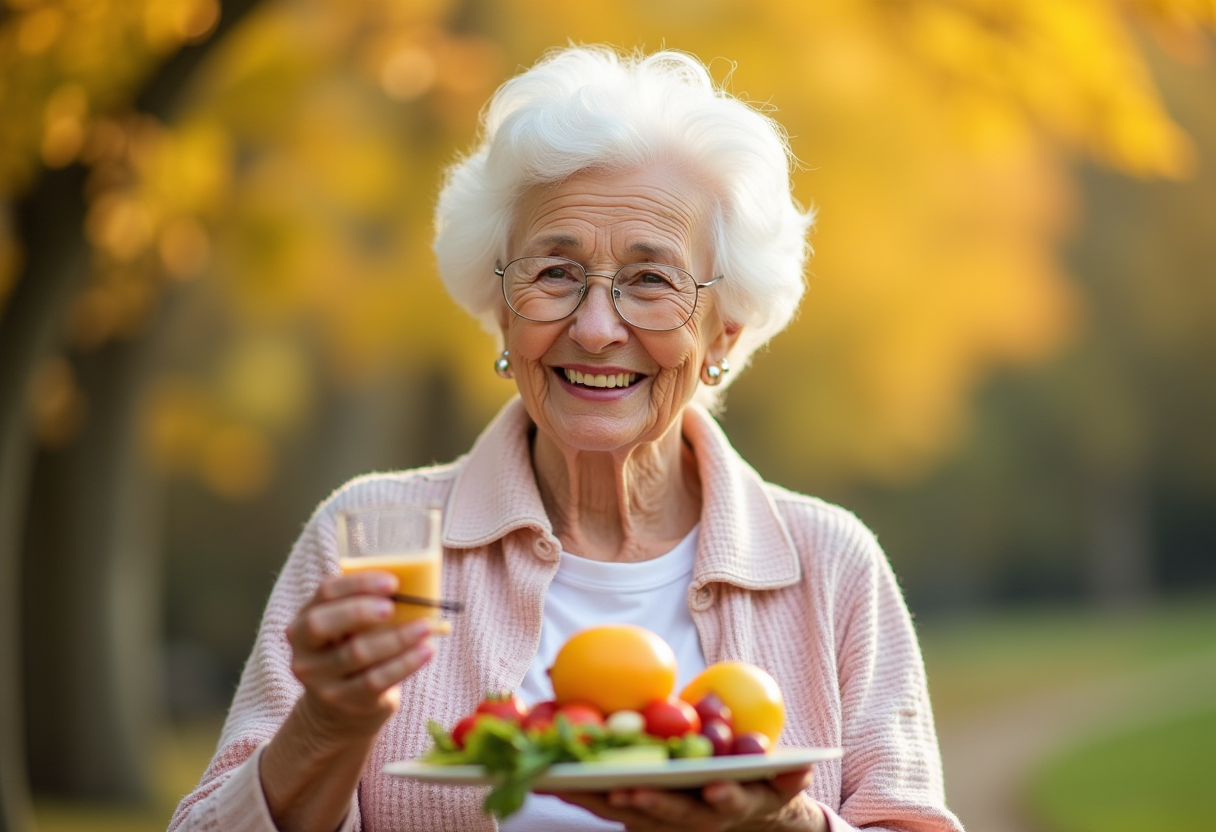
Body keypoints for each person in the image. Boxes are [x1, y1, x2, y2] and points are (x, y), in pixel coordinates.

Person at [170, 46, 963, 832]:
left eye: (651, 280)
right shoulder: (378, 542)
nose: (593, 328)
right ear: (503, 309)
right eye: (554, 273)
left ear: (723, 333)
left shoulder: (829, 565)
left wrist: (781, 827)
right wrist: (327, 727)